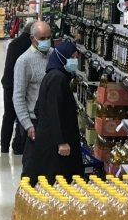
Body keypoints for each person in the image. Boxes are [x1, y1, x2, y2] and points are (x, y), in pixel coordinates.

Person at [23, 40, 84, 182]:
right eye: (72, 57)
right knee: (58, 180)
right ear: (63, 57)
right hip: (56, 147)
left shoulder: (51, 75)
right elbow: (54, 112)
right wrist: (61, 141)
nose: (75, 61)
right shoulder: (58, 79)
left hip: (48, 140)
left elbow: (39, 108)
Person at [12, 21, 52, 177]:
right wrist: (27, 125)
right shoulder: (24, 61)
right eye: (42, 38)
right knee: (32, 171)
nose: (46, 41)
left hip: (53, 122)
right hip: (34, 124)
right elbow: (18, 96)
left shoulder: (54, 55)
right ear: (32, 38)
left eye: (49, 37)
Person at [1, 21, 34, 155]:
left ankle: (4, 146)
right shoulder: (30, 46)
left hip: (8, 83)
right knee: (23, 114)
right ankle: (18, 146)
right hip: (22, 84)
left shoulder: (14, 44)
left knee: (8, 115)